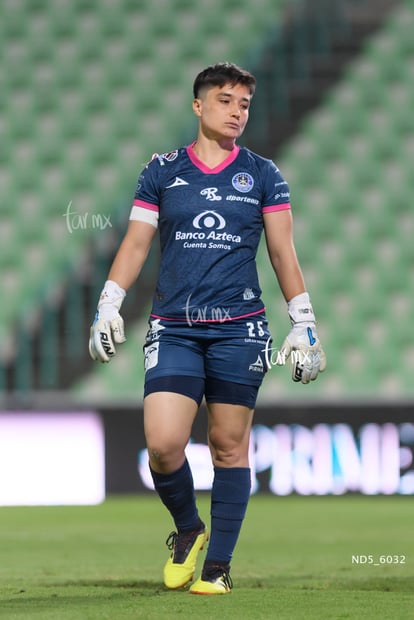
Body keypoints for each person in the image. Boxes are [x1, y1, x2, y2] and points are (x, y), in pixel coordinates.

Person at [89, 62, 326, 595]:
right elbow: (134, 244)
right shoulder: (162, 170)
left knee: (227, 445)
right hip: (174, 326)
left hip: (240, 329)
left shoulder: (265, 174)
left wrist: (304, 320)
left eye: (244, 103)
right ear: (198, 106)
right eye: (225, 100)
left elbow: (283, 251)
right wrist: (109, 303)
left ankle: (218, 566)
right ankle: (188, 529)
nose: (237, 111)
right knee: (164, 446)